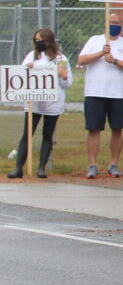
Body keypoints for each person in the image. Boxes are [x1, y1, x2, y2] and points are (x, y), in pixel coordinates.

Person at [77, 13, 123, 178]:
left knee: (117, 129)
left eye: (117, 23)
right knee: (93, 129)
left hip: (118, 93)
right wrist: (100, 53)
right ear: (106, 24)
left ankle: (113, 164)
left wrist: (115, 61)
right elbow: (81, 60)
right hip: (95, 91)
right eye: (111, 22)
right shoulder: (94, 40)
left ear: (121, 25)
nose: (114, 25)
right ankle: (92, 165)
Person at [9, 29, 73, 179]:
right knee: (27, 134)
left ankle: (41, 168)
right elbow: (21, 75)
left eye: (41, 40)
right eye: (36, 39)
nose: (38, 42)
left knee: (47, 135)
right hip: (34, 102)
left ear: (49, 41)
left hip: (53, 102)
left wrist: (63, 75)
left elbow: (67, 83)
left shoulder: (60, 58)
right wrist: (28, 69)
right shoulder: (31, 56)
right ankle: (19, 167)